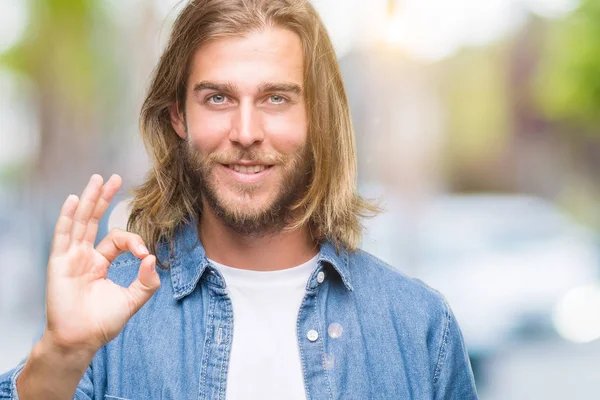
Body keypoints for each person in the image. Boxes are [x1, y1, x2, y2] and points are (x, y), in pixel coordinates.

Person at [0, 0, 478, 399]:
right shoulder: (108, 320)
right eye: (218, 99)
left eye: (276, 98)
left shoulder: (418, 327)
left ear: (318, 119)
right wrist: (60, 354)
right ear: (178, 118)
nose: (246, 133)